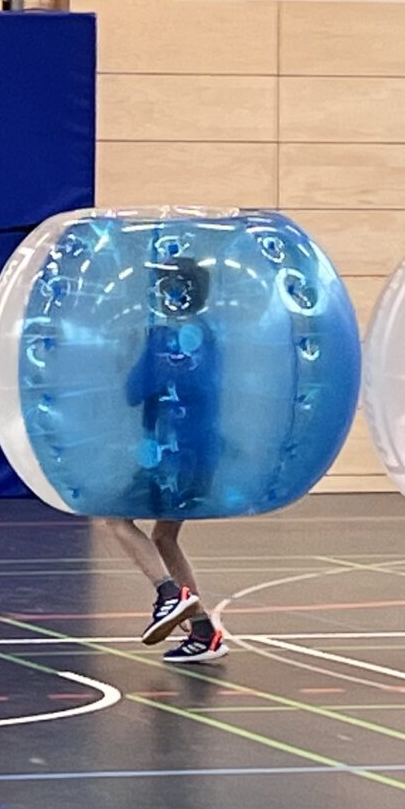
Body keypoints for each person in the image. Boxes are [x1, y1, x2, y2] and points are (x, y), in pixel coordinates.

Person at [109, 254, 226, 665]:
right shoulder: (206, 333)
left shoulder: (165, 338)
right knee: (164, 536)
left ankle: (168, 593)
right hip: (200, 453)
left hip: (172, 456)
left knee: (117, 519)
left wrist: (132, 352)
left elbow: (134, 390)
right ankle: (203, 632)